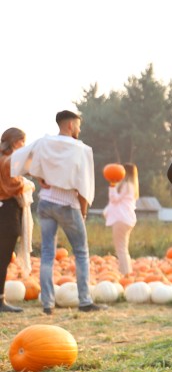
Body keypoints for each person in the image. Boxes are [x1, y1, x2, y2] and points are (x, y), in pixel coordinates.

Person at [11, 111, 104, 315]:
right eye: (78, 126)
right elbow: (84, 186)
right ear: (70, 125)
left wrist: (37, 176)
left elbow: (17, 157)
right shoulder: (81, 149)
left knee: (46, 254)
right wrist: (84, 212)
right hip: (68, 205)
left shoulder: (44, 143)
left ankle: (47, 304)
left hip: (46, 204)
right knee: (80, 252)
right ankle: (85, 300)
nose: (79, 130)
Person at [0, 128, 30, 313]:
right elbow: (13, 185)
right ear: (14, 142)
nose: (24, 147)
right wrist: (26, 184)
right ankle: (0, 300)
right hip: (8, 210)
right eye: (22, 143)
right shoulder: (8, 160)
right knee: (3, 258)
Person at [103, 163, 139, 276]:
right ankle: (126, 272)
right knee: (123, 248)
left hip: (121, 219)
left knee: (121, 249)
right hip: (127, 219)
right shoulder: (132, 186)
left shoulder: (125, 185)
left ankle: (125, 274)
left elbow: (114, 199)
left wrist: (112, 185)